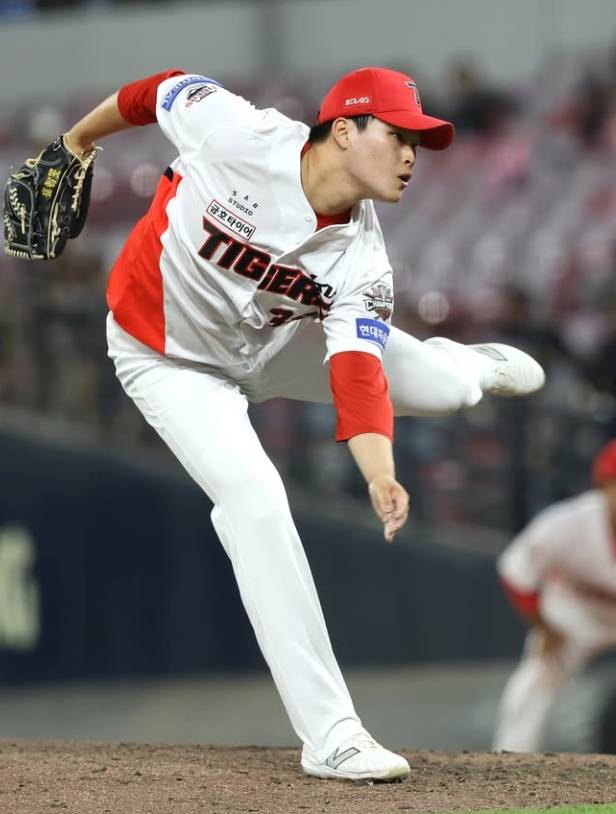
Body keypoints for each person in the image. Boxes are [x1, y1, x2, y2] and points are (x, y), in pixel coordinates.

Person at [61, 66, 544, 781]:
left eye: (418, 144)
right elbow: (156, 89)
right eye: (398, 137)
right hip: (167, 359)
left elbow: (357, 377)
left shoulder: (363, 259)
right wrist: (77, 141)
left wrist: (380, 472)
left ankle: (466, 367)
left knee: (447, 391)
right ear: (343, 130)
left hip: (276, 344)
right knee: (255, 501)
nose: (411, 156)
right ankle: (332, 735)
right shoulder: (238, 135)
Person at [493, 439, 616, 753]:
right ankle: (512, 758)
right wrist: (544, 627)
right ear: (604, 484)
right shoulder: (569, 522)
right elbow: (517, 571)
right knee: (539, 671)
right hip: (576, 613)